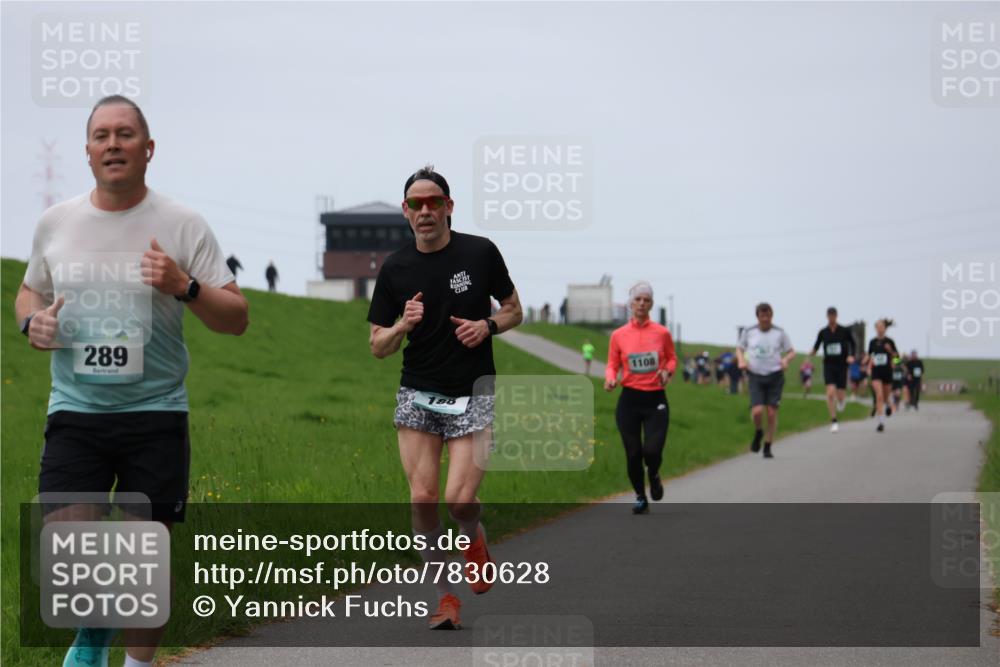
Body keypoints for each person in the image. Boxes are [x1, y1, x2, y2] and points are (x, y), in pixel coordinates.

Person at [15, 95, 249, 667]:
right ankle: (94, 628)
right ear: (88, 152)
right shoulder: (57, 222)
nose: (112, 144)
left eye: (125, 134)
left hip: (156, 412)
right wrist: (31, 321)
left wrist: (184, 285)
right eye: (101, 135)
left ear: (149, 150)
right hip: (76, 410)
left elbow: (236, 319)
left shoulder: (182, 224)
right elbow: (29, 290)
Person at [367, 165, 522, 630]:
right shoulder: (395, 269)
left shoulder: (480, 252)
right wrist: (401, 325)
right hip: (418, 391)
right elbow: (378, 345)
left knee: (458, 501)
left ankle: (473, 535)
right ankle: (445, 598)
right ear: (406, 212)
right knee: (422, 497)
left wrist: (488, 325)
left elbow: (515, 309)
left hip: (472, 391)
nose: (426, 211)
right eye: (417, 204)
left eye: (434, 202)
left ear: (450, 207)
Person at [604, 281, 677, 514]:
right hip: (629, 400)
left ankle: (653, 474)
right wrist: (610, 378)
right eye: (638, 299)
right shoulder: (618, 335)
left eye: (646, 300)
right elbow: (612, 363)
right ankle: (640, 496)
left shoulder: (662, 333)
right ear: (630, 303)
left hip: (655, 399)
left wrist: (667, 371)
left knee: (652, 451)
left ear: (651, 304)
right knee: (633, 453)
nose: (642, 304)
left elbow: (672, 358)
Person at [736, 303, 795, 458]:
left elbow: (791, 351)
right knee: (756, 411)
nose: (765, 319)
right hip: (755, 374)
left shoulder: (779, 333)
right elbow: (739, 348)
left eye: (768, 315)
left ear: (771, 316)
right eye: (762, 316)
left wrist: (786, 360)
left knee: (771, 413)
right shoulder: (749, 332)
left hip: (775, 375)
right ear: (757, 317)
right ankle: (758, 432)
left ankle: (768, 446)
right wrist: (741, 360)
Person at [808, 306, 857, 433]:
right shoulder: (823, 332)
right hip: (829, 365)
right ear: (827, 316)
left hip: (842, 364)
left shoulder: (844, 330)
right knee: (830, 392)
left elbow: (853, 343)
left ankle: (841, 401)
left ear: (836, 316)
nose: (831, 317)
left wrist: (851, 355)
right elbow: (816, 346)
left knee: (840, 395)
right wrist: (810, 355)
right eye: (829, 315)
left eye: (833, 315)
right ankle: (834, 420)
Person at [866, 318, 899, 432]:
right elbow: (870, 356)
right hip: (876, 372)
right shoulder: (872, 342)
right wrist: (867, 365)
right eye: (878, 327)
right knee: (879, 396)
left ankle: (888, 405)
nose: (880, 329)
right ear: (876, 328)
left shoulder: (890, 342)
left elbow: (897, 359)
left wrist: (891, 353)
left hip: (887, 372)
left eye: (882, 327)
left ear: (885, 329)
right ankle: (881, 422)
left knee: (885, 397)